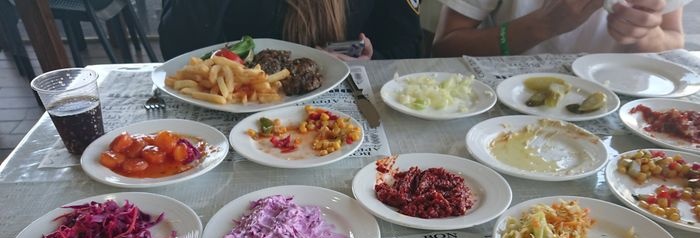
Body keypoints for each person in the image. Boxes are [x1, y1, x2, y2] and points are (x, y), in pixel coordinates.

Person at [159, 0, 423, 61]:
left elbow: (408, 45)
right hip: (239, 104)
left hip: (347, 100)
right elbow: (177, 51)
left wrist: (372, 60)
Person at [431, 0, 685, 56]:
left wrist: (646, 34)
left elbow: (674, 39)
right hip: (504, 109)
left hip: (625, 111)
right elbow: (446, 47)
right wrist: (541, 26)